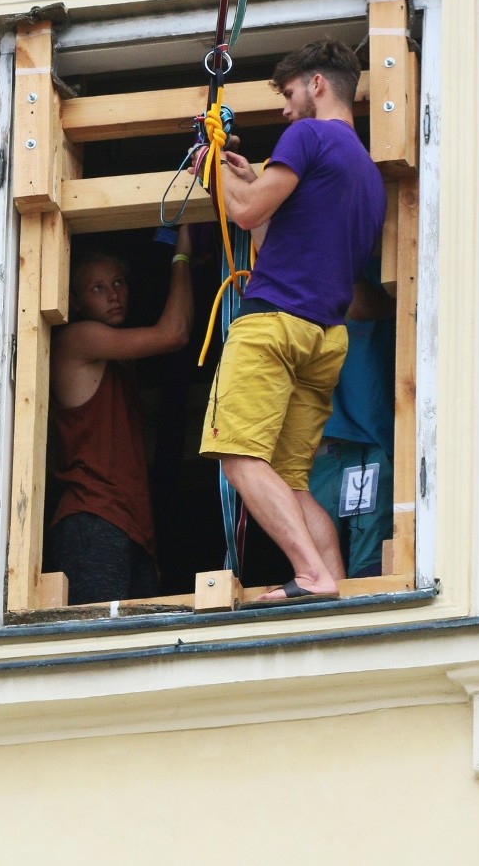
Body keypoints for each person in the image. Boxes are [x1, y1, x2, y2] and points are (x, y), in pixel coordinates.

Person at [198, 39, 386, 603]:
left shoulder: (308, 136)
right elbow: (273, 232)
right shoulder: (366, 175)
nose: (284, 109)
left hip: (273, 327)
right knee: (290, 476)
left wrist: (214, 163)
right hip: (324, 340)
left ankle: (311, 576)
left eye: (287, 93)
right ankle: (337, 583)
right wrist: (251, 176)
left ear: (317, 84)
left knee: (236, 456)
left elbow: (247, 212)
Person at [46, 224, 193, 605]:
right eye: (97, 288)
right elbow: (173, 333)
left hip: (130, 526)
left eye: (118, 283)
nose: (114, 295)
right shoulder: (79, 338)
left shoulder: (117, 361)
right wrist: (182, 256)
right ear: (76, 301)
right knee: (98, 649)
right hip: (92, 518)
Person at [309, 261, 396, 579]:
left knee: (368, 577)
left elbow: (359, 304)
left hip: (364, 449)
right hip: (315, 458)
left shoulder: (382, 272)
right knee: (316, 576)